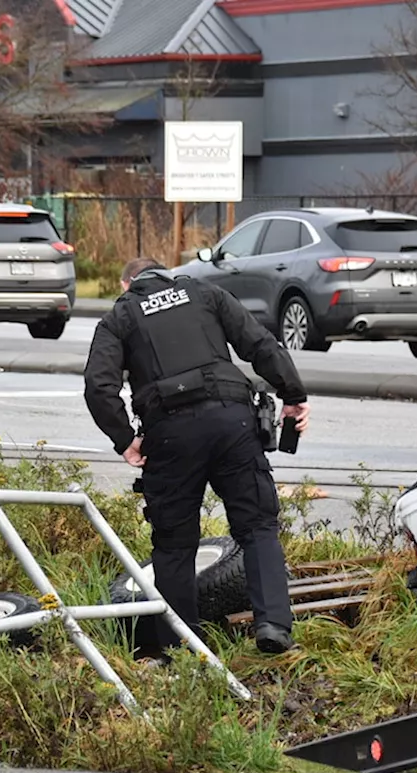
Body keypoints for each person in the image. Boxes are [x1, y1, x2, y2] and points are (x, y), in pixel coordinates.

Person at [83, 256, 311, 658]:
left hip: (170, 437)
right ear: (166, 274)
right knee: (257, 524)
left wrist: (124, 440)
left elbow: (98, 386)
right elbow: (259, 344)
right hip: (232, 423)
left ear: (127, 284)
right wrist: (292, 395)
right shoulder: (205, 292)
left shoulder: (119, 317)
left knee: (174, 544)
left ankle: (183, 647)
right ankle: (273, 625)